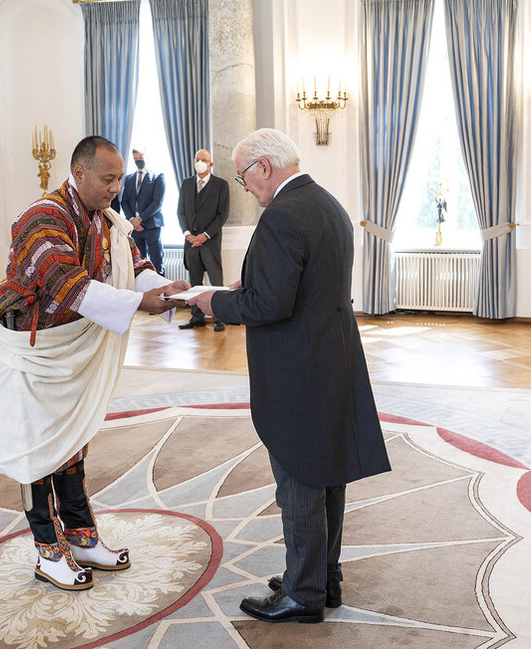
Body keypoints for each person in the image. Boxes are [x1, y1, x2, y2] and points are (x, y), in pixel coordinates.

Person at [190, 128, 391, 624]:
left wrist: (211, 299)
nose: (245, 186)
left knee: (300, 480)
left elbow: (269, 304)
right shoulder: (327, 203)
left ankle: (303, 595)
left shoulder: (281, 215)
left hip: (298, 369)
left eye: (243, 176)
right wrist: (251, 281)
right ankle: (324, 578)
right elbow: (305, 281)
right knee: (328, 475)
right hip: (332, 358)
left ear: (264, 167)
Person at [0, 136, 187, 591]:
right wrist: (141, 304)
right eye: (108, 178)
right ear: (78, 174)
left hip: (70, 347)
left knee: (72, 445)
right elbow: (66, 284)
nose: (116, 188)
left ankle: (80, 539)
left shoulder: (107, 220)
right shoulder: (44, 216)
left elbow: (135, 266)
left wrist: (166, 288)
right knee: (37, 452)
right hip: (34, 354)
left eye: (118, 179)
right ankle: (47, 552)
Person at [177, 149, 230, 332]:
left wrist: (205, 235)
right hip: (191, 243)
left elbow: (222, 215)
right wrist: (187, 234)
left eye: (204, 160)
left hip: (210, 242)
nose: (200, 162)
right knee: (195, 281)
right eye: (197, 159)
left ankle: (218, 317)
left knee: (216, 281)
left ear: (211, 164)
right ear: (193, 163)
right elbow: (181, 212)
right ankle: (196, 316)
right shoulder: (186, 184)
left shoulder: (221, 185)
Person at [120, 148, 165, 274]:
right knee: (138, 265)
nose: (138, 160)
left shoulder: (157, 176)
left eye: (140, 158)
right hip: (135, 229)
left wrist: (140, 219)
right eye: (135, 158)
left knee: (157, 263)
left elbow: (157, 203)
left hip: (151, 226)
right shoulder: (129, 178)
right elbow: (124, 201)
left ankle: (162, 292)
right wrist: (132, 221)